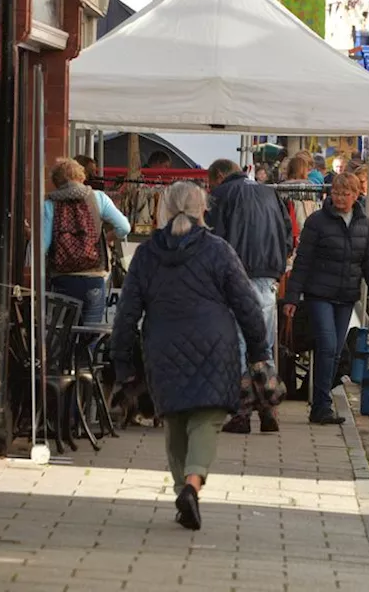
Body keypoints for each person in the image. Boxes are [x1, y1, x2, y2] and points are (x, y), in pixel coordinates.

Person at [111, 181, 270, 532]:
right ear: (202, 211)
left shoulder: (148, 253)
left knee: (175, 419)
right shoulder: (218, 250)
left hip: (163, 346)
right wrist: (260, 354)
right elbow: (248, 305)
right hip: (215, 345)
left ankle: (182, 490)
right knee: (207, 418)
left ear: (164, 210)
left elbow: (126, 312)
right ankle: (192, 484)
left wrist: (122, 363)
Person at [285, 173, 369, 425]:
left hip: (346, 296)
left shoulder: (363, 223)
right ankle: (321, 405)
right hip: (319, 294)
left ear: (356, 196)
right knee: (328, 345)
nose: (340, 198)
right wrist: (291, 297)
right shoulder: (317, 222)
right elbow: (303, 261)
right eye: (336, 193)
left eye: (345, 193)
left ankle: (321, 402)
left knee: (334, 352)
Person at [206, 158, 292, 434]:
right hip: (267, 277)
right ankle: (269, 408)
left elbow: (212, 240)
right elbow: (288, 235)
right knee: (262, 346)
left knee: (239, 347)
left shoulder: (220, 196)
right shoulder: (271, 193)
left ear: (219, 176)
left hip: (234, 277)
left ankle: (242, 413)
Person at [42, 157, 132, 324]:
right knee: (90, 335)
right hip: (94, 277)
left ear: (56, 181)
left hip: (63, 279)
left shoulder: (50, 204)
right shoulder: (99, 198)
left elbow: (42, 246)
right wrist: (105, 238)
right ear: (82, 176)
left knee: (62, 337)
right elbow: (124, 227)